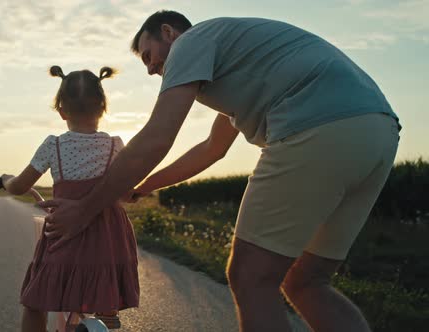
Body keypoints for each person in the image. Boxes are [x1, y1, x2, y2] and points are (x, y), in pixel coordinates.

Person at [39, 10, 401, 332]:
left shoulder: (191, 42)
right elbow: (212, 149)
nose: (150, 70)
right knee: (308, 282)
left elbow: (157, 137)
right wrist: (147, 185)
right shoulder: (233, 63)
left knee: (250, 278)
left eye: (148, 56)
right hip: (376, 132)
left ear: (169, 33)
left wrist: (85, 210)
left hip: (315, 128)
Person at [0, 65, 139, 331]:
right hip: (108, 241)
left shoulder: (54, 145)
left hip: (66, 236)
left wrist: (7, 180)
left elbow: (19, 186)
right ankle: (107, 320)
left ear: (62, 111)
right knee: (105, 299)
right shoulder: (116, 145)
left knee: (35, 303)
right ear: (103, 108)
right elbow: (126, 192)